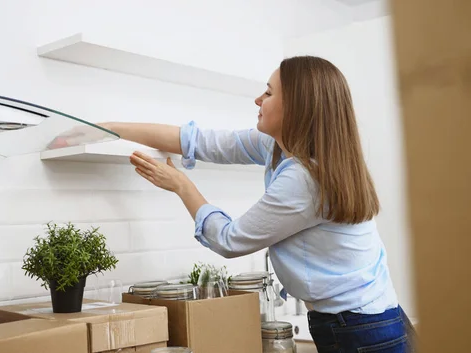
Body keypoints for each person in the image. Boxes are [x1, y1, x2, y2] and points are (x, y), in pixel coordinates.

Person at [98, 55, 416, 353]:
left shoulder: (305, 179)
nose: (258, 100)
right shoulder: (279, 147)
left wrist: (181, 185)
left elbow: (230, 239)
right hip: (374, 319)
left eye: (268, 93)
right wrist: (110, 128)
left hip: (360, 329)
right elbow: (201, 141)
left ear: (296, 107)